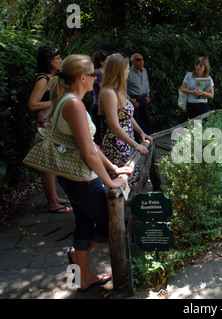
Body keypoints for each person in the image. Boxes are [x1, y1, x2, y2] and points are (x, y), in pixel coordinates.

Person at [48, 54, 133, 292]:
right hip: (81, 178)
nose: (97, 76)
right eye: (93, 74)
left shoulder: (69, 101)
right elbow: (88, 152)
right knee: (109, 222)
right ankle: (77, 257)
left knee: (83, 223)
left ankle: (81, 277)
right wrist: (110, 181)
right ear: (82, 78)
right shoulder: (73, 104)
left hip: (74, 178)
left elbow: (92, 146)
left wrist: (113, 167)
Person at [28, 45, 71, 213]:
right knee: (48, 166)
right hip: (45, 127)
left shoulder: (51, 77)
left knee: (51, 164)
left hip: (52, 125)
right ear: (49, 61)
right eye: (57, 58)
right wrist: (55, 103)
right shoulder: (43, 80)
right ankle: (52, 203)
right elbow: (32, 104)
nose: (60, 60)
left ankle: (54, 198)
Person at [99, 53, 152, 187]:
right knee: (123, 182)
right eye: (127, 68)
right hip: (117, 143)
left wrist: (141, 133)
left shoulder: (119, 90)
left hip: (126, 140)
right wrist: (135, 144)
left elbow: (128, 116)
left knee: (131, 179)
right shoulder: (109, 93)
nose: (129, 71)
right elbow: (114, 125)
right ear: (119, 70)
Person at [127, 53, 153, 139]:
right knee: (135, 121)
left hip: (143, 98)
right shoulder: (128, 72)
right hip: (134, 98)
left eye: (142, 59)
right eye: (138, 60)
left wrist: (148, 95)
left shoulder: (144, 71)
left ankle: (149, 138)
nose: (141, 62)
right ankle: (136, 142)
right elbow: (122, 88)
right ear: (132, 62)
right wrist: (130, 99)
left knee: (147, 119)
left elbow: (147, 83)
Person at [90, 50, 110, 147]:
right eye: (108, 60)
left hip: (103, 106)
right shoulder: (98, 73)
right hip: (98, 107)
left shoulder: (105, 72)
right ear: (101, 62)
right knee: (99, 133)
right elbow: (106, 90)